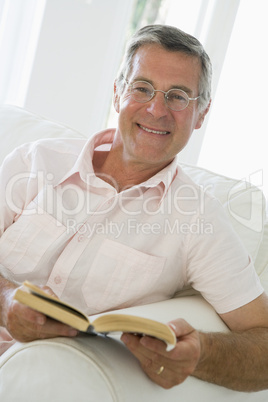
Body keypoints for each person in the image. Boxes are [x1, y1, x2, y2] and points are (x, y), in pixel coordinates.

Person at [0, 24, 267, 391]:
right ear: (117, 93)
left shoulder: (199, 221)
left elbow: (263, 341)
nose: (157, 109)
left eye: (177, 96)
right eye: (142, 88)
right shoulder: (36, 161)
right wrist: (5, 301)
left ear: (201, 115)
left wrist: (202, 354)